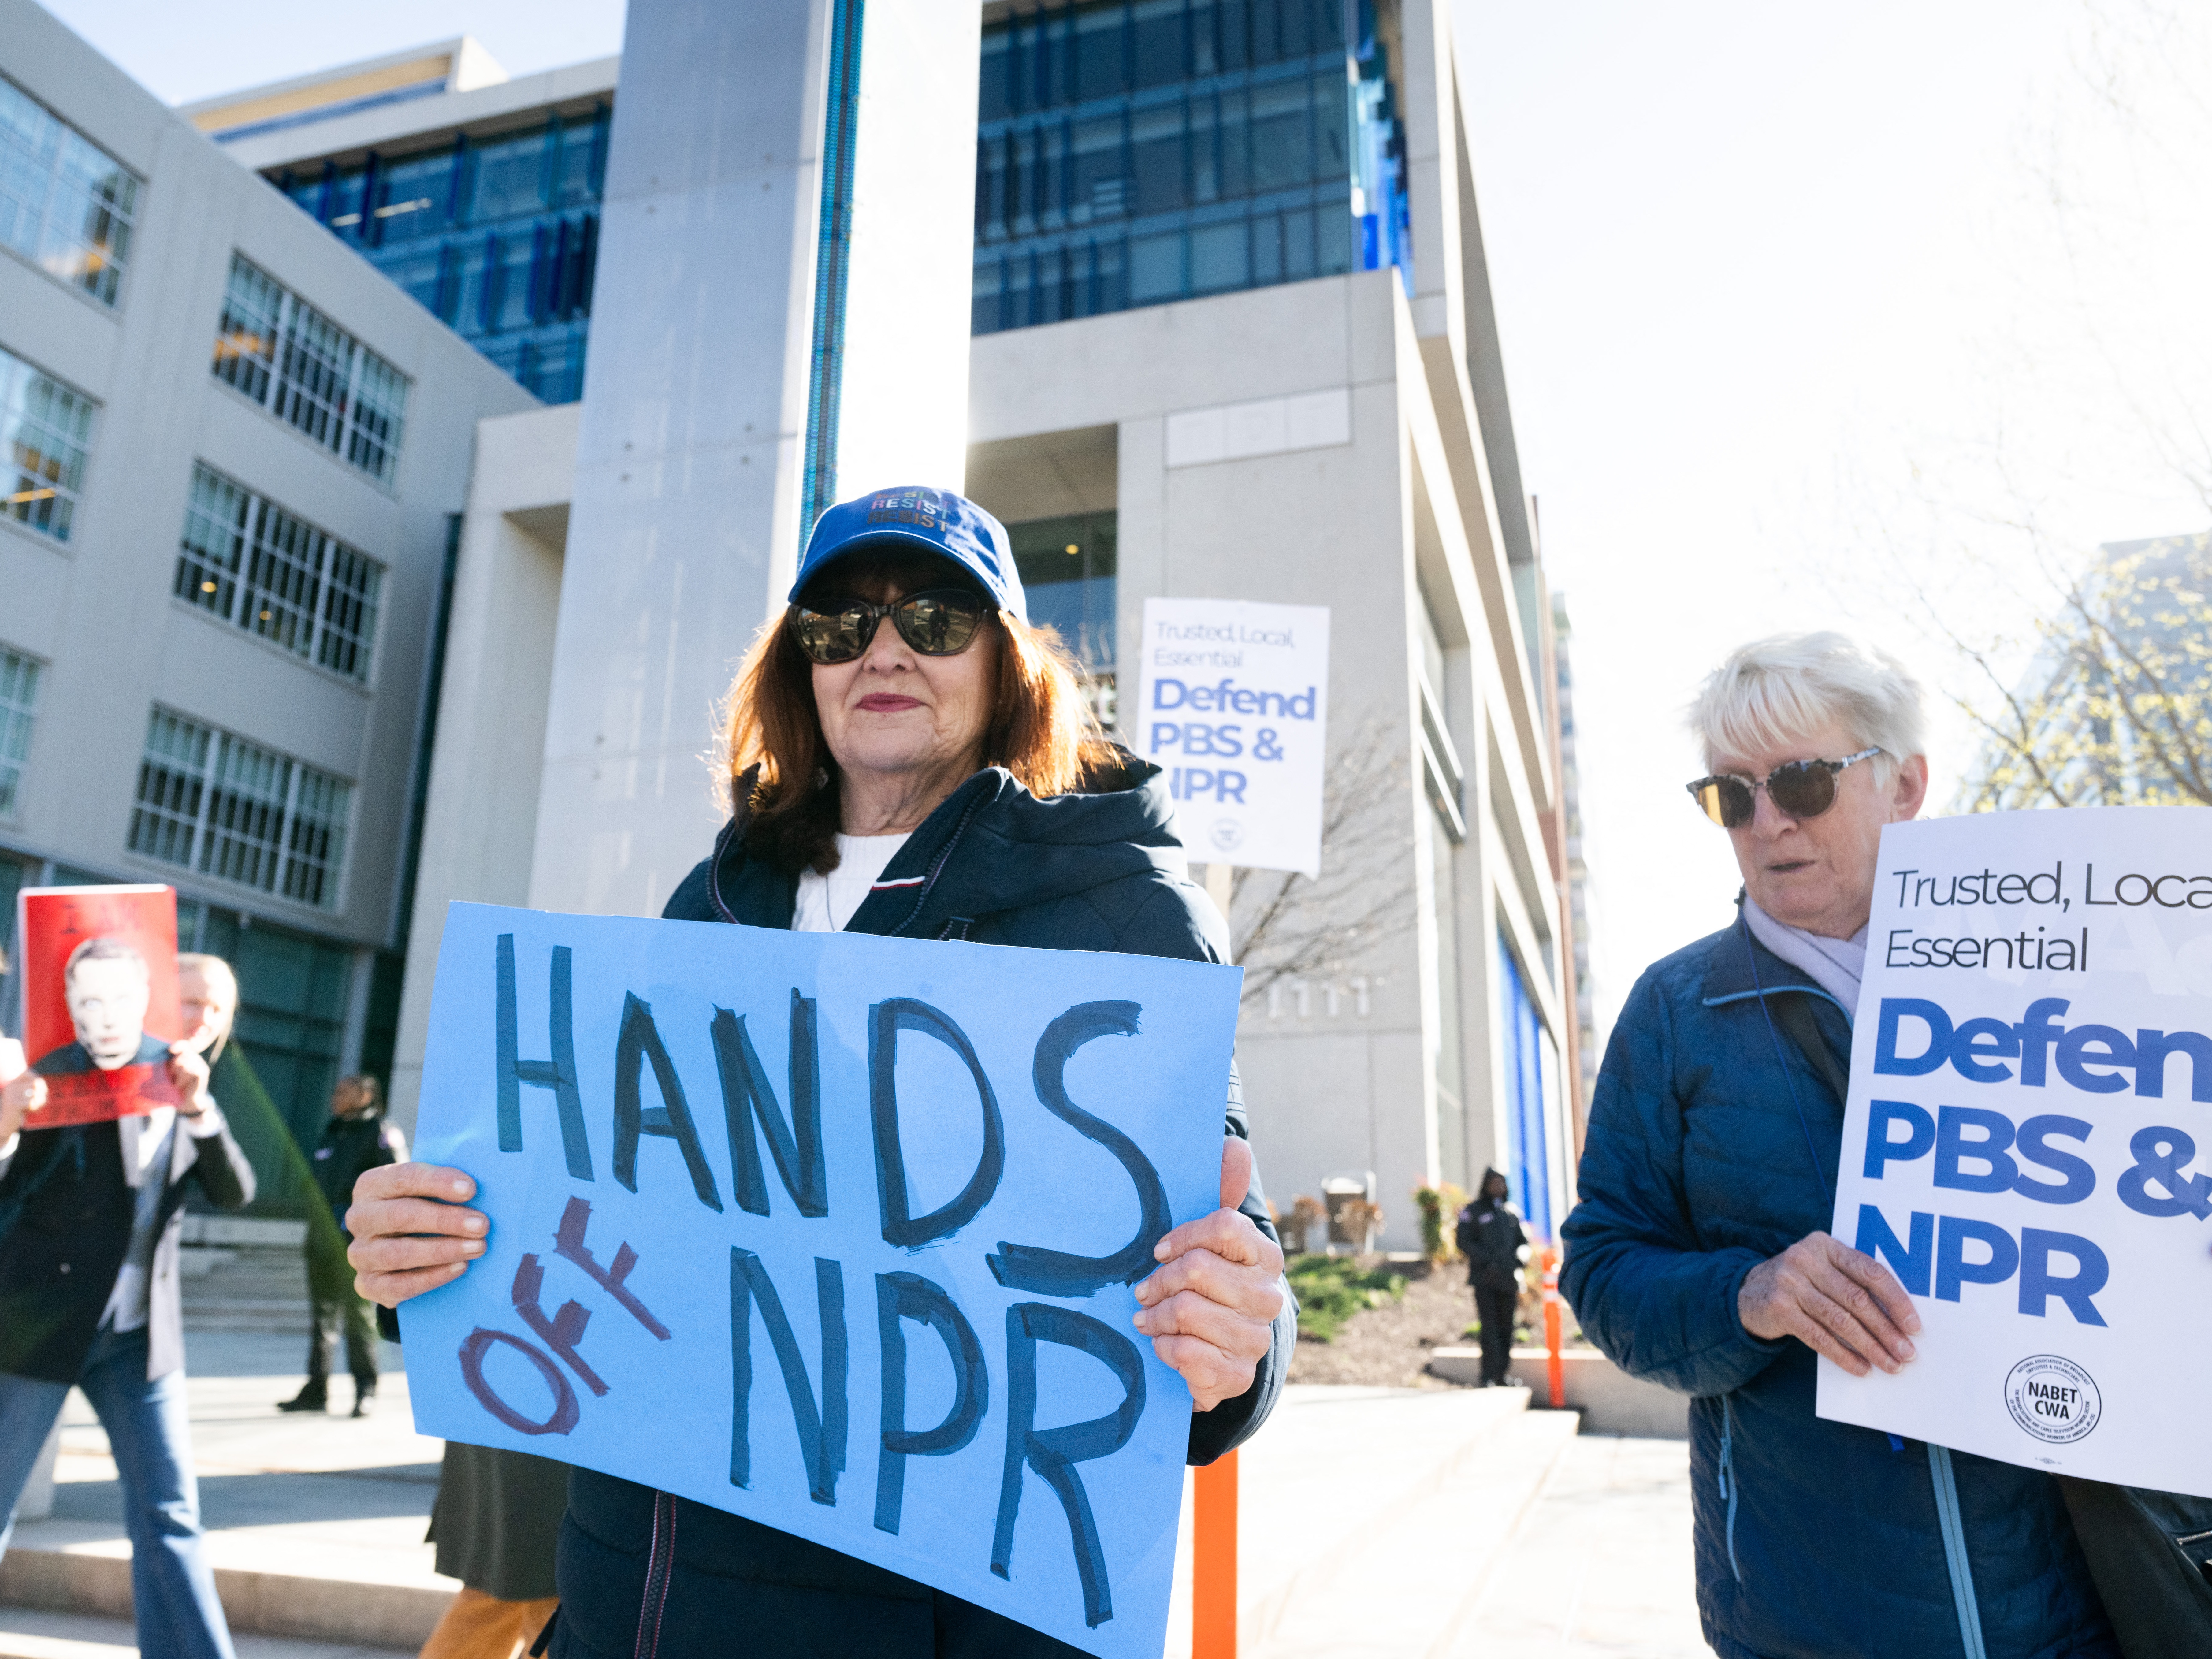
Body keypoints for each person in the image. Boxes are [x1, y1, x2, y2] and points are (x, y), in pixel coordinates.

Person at [345, 484, 1296, 1659]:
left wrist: (1240, 1339)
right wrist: (437, 1252)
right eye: (839, 624)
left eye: (936, 618)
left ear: (1005, 666)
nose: (884, 649)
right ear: (799, 669)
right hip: (628, 1611)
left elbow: (1225, 1294)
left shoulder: (1125, 917)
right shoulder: (713, 903)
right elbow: (599, 1221)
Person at [1560, 633, 2118, 1659]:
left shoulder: (2061, 974)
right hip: (1810, 1614)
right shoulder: (1676, 1011)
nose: (1767, 821)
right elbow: (1601, 1270)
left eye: (1803, 782)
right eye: (1732, 794)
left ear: (1903, 784)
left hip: (2071, 1602)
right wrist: (1749, 1295)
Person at [0, 946, 255, 1659]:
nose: (201, 1015)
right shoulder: (58, 1074)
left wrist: (200, 1107)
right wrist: (4, 1124)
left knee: (170, 1512)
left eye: (216, 1007)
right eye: (190, 998)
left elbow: (236, 1189)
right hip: (36, 1329)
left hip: (138, 1338)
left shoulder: (188, 1089)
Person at [281, 1075, 403, 1417]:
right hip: (320, 1238)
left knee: (359, 1316)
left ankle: (366, 1388)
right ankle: (316, 1389)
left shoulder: (380, 1131)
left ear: (365, 1094)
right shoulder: (334, 1130)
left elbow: (394, 1183)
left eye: (342, 1091)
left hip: (357, 1242)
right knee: (322, 1317)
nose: (334, 1096)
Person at [1455, 1168, 1526, 1388]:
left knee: (1507, 1326)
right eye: (1494, 1183)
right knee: (1489, 1327)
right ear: (1485, 1185)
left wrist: (1520, 1258)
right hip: (1485, 1279)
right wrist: (1487, 1260)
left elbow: (1523, 1242)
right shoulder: (1473, 1211)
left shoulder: (1511, 1212)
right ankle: (1486, 1375)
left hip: (1508, 1279)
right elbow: (1463, 1240)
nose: (1498, 1187)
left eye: (1501, 1183)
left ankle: (1502, 1374)